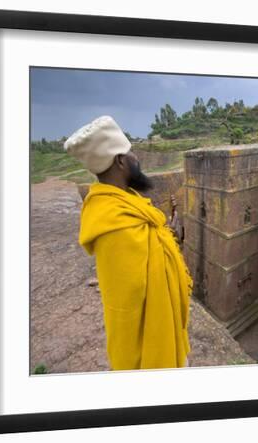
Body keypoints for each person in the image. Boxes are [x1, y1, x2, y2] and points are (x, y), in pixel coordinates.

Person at [64, 115, 193, 370]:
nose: (138, 159)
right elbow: (129, 309)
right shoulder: (114, 224)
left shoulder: (127, 203)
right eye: (132, 153)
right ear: (121, 161)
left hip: (166, 328)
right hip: (148, 349)